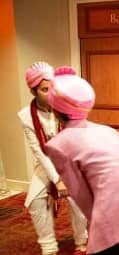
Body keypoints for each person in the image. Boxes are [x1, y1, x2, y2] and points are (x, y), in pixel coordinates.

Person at [44, 66, 119, 255]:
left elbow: (80, 194)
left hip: (110, 207)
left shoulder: (58, 144)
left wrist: (96, 225)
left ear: (55, 109)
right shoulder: (106, 130)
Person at [18, 62, 88, 255]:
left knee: (80, 201)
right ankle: (48, 247)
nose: (49, 94)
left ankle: (82, 241)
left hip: (69, 163)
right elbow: (38, 151)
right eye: (44, 89)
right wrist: (56, 180)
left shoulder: (65, 107)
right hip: (45, 166)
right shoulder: (26, 116)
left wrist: (68, 175)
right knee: (35, 201)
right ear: (33, 91)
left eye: (52, 88)